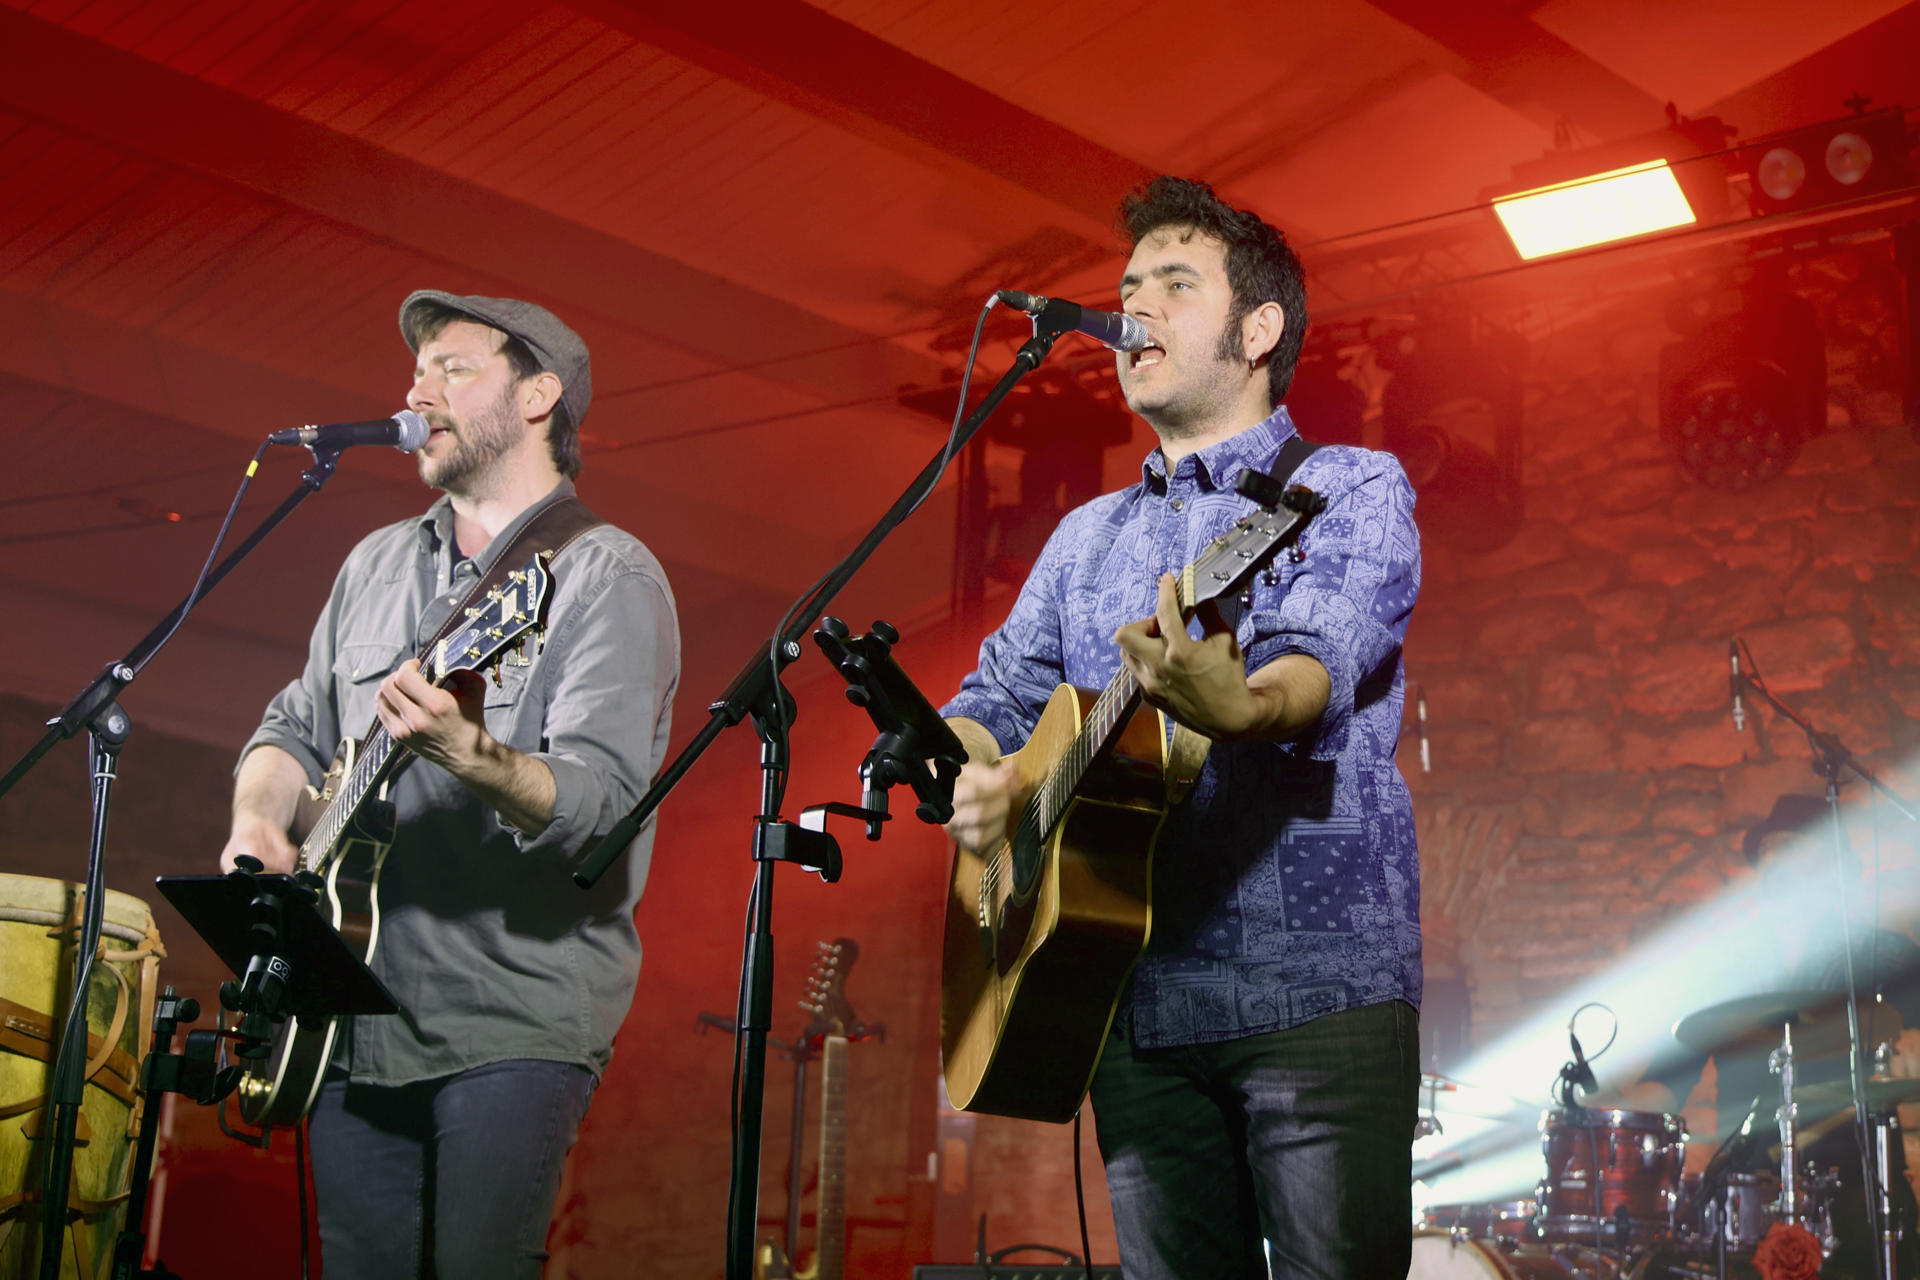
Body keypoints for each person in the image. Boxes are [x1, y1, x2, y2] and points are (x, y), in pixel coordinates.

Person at [940, 176, 1422, 1278]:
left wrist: (1238, 704)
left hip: (1317, 990)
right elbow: (989, 703)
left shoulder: (1348, 485)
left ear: (1259, 330)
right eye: (1125, 289)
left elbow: (1319, 653)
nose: (1133, 311)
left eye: (1173, 284)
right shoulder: (1082, 538)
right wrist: (981, 781)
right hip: (1135, 1000)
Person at [218, 291, 679, 1278]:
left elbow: (602, 805)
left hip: (509, 1017)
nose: (416, 389)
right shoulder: (376, 563)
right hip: (348, 1019)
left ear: (538, 395)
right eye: (416, 370)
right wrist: (261, 824)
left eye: (451, 367)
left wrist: (474, 754)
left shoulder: (606, 575)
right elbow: (293, 727)